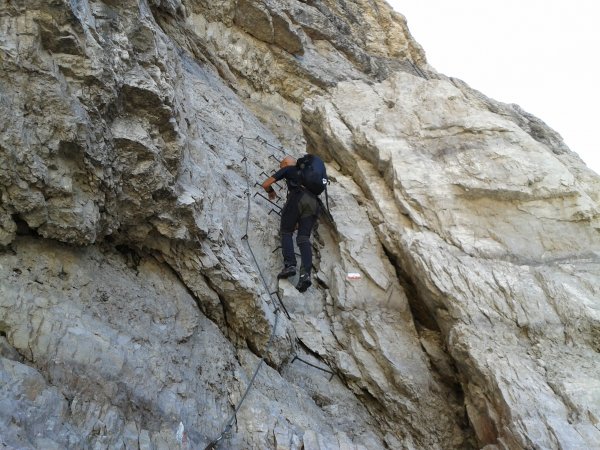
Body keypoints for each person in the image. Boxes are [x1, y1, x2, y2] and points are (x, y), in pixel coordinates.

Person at [262, 155, 320, 292]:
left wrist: (270, 191)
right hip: (314, 204)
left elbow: (266, 184)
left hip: (297, 198)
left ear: (287, 163)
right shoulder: (309, 175)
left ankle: (290, 265)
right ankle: (305, 276)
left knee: (286, 232)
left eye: (281, 165)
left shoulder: (288, 168)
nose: (281, 168)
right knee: (303, 239)